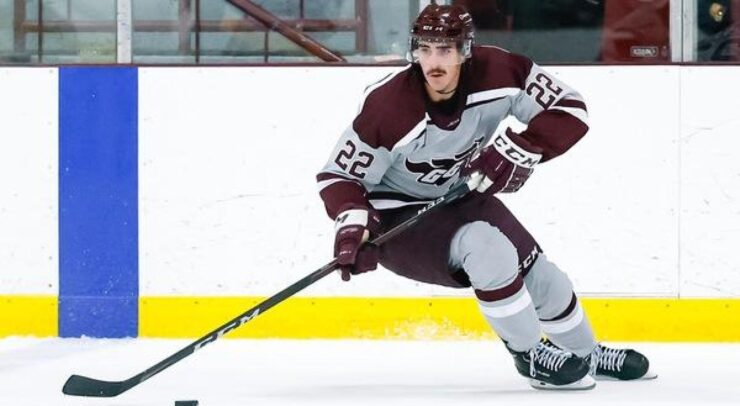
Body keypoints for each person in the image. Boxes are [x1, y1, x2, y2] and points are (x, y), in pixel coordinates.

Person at [316, 4, 655, 390]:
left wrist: (520, 148)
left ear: (466, 50)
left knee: (544, 277)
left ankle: (585, 353)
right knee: (488, 248)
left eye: (444, 50)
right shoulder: (388, 106)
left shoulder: (502, 72)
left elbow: (570, 108)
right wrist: (353, 227)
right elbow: (339, 175)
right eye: (424, 49)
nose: (433, 62)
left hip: (458, 193)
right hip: (395, 215)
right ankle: (530, 355)